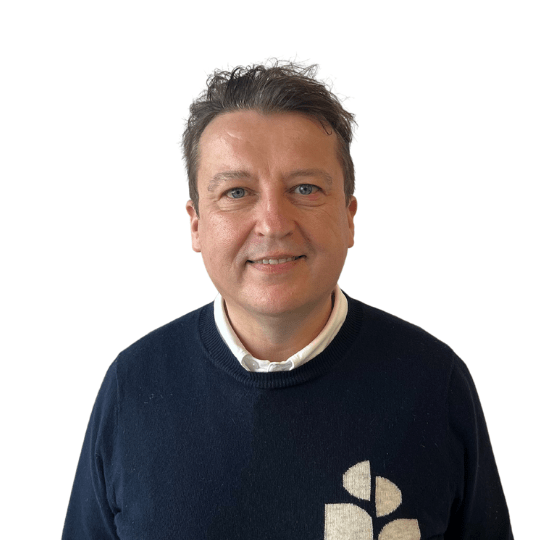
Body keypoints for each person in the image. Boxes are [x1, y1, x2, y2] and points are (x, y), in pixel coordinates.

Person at [62, 62, 513, 539]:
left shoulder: (433, 382)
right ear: (196, 224)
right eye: (237, 192)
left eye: (305, 188)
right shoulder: (133, 386)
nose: (273, 223)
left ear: (349, 215)